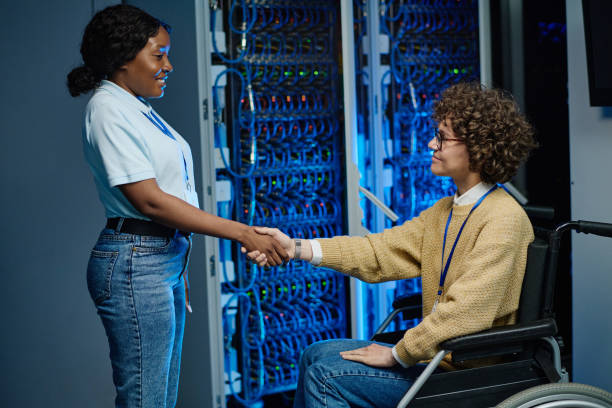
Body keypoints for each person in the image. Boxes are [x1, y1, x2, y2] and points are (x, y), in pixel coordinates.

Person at [245, 82, 538, 407]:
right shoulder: (445, 212)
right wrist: (295, 248)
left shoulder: (503, 219)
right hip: (437, 361)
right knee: (314, 354)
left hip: (465, 377)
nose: (431, 143)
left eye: (442, 137)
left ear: (478, 146)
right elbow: (377, 252)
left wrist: (399, 353)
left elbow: (466, 313)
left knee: (325, 376)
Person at [67, 5, 287, 407]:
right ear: (122, 57)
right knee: (145, 399)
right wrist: (241, 231)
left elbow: (169, 195)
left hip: (158, 257)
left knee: (160, 397)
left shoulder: (137, 109)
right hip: (136, 261)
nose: (168, 65)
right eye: (159, 55)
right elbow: (150, 201)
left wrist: (175, 259)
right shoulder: (108, 109)